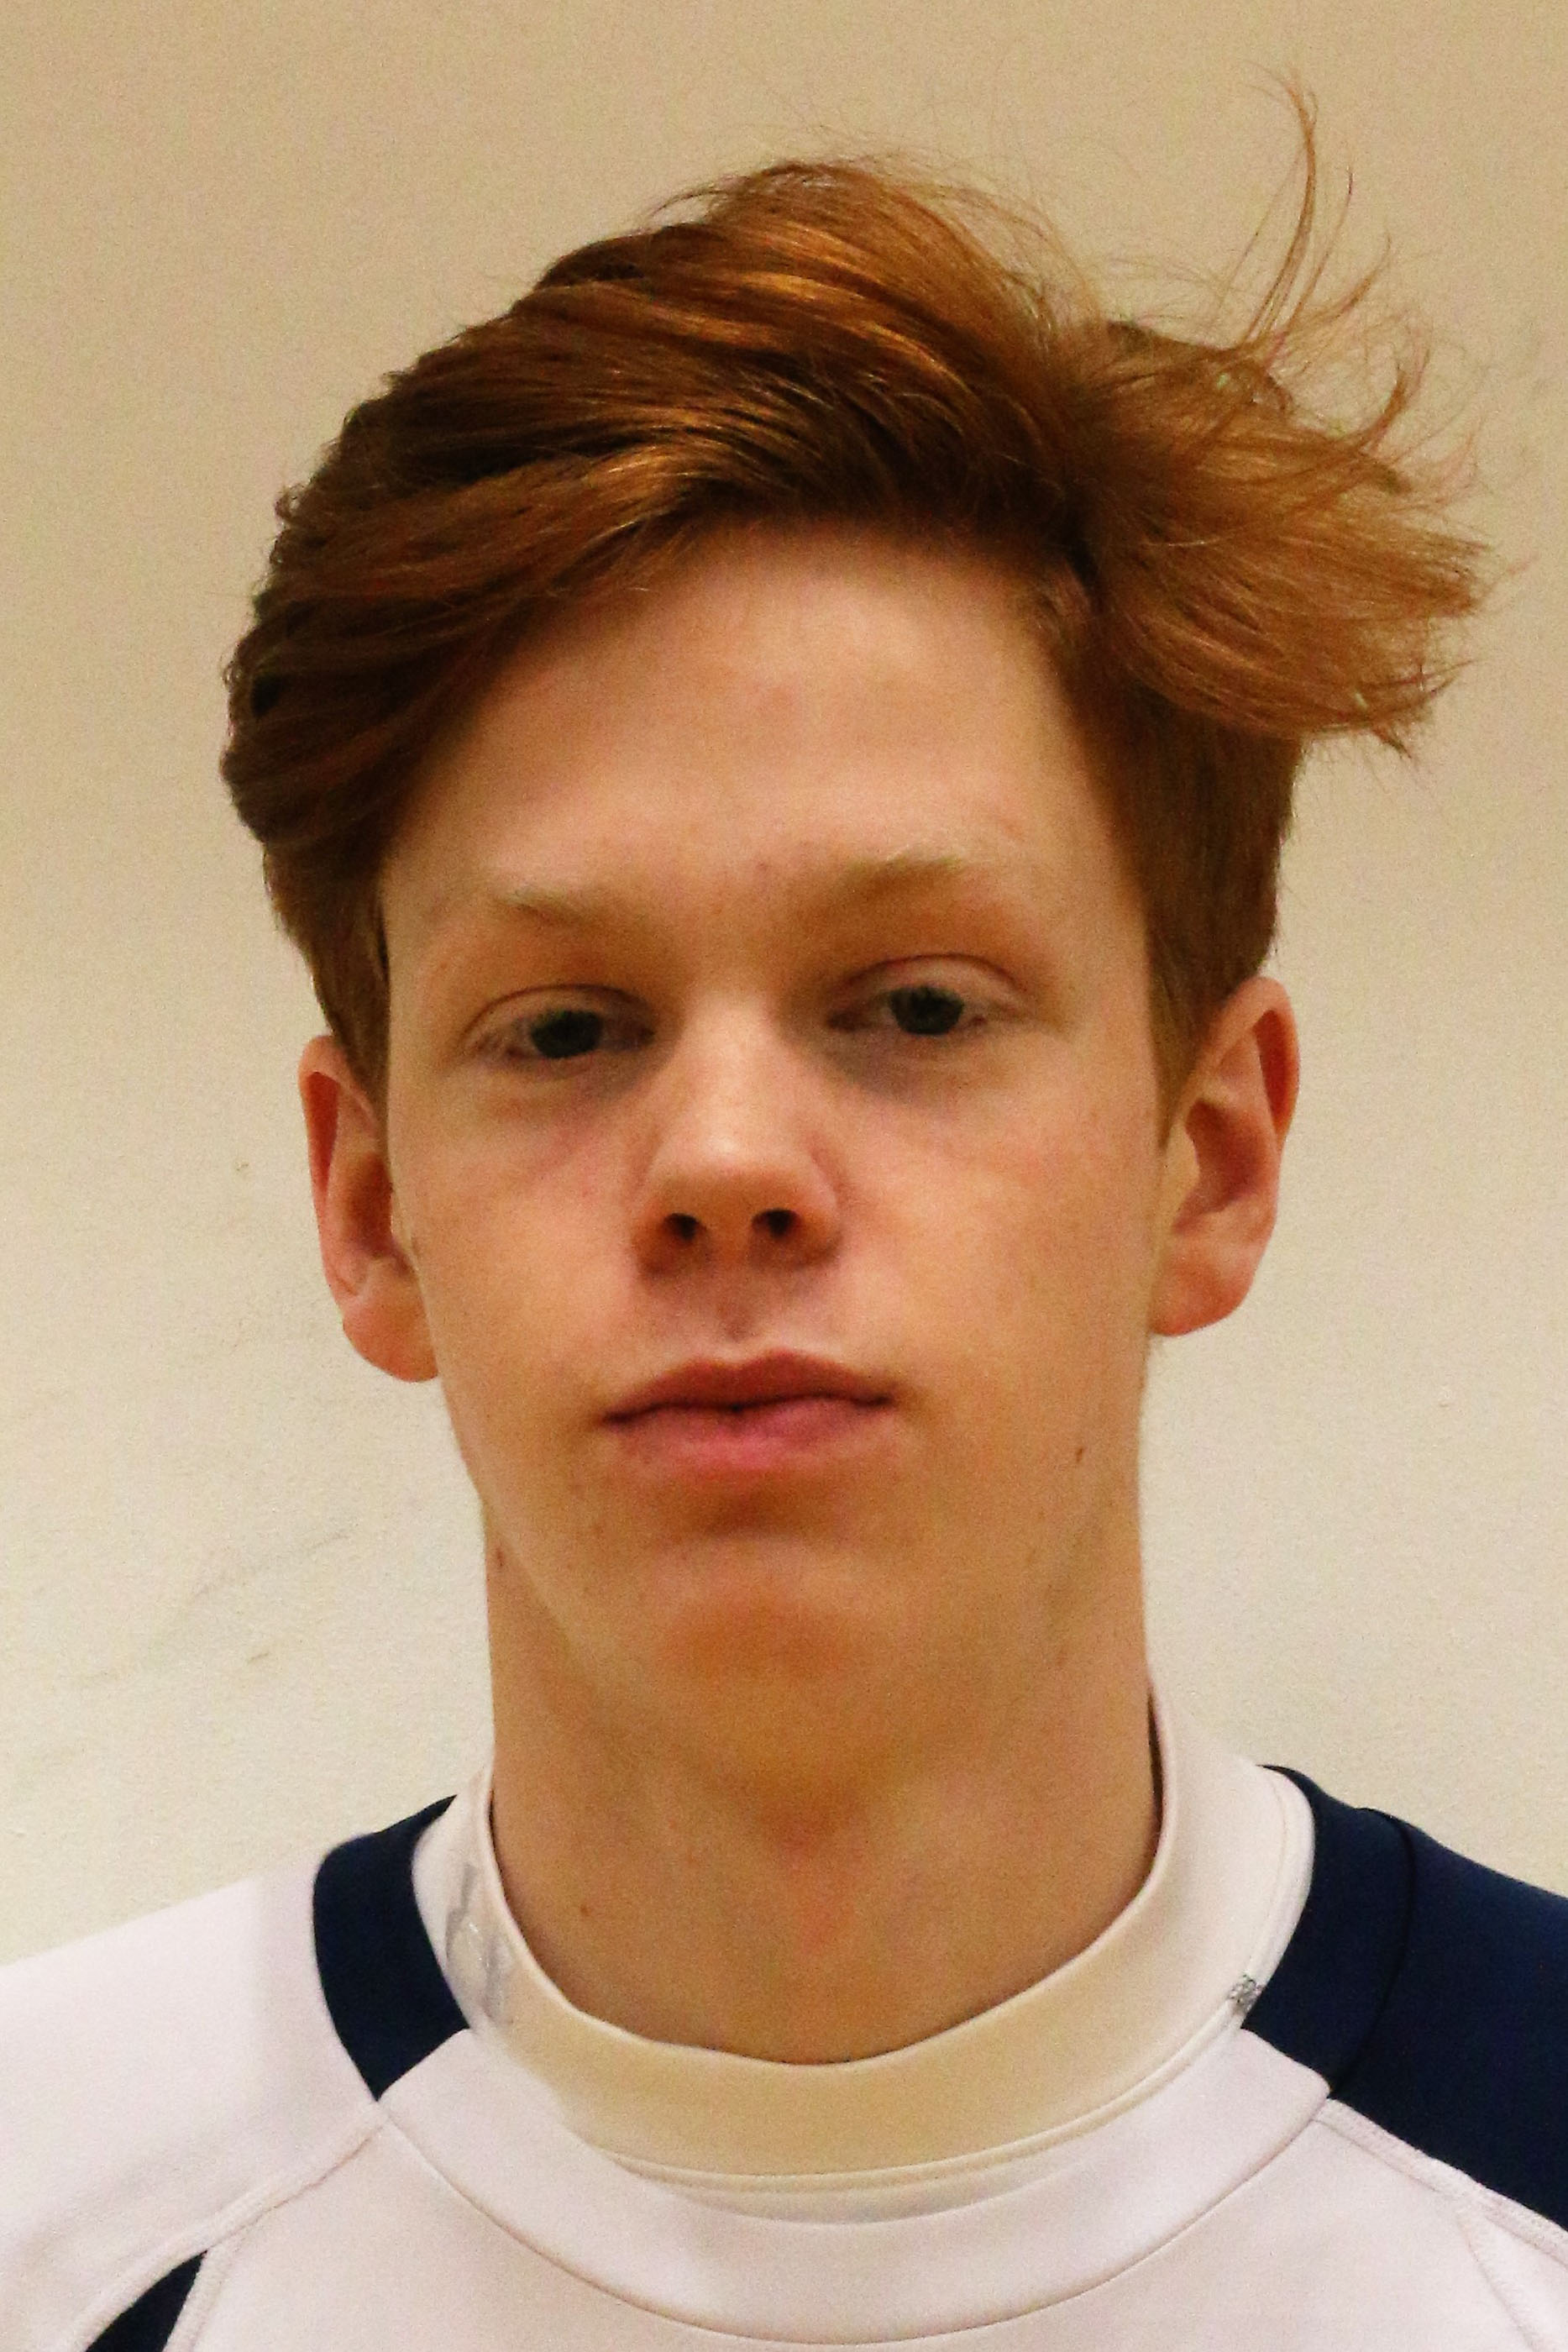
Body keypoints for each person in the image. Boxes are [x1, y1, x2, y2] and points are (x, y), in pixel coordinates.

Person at [3, 124, 1565, 2352]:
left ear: (1208, 1159)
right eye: (567, 1028)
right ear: (368, 1209)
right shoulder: (50, 2220)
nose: (725, 1162)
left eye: (914, 1006)